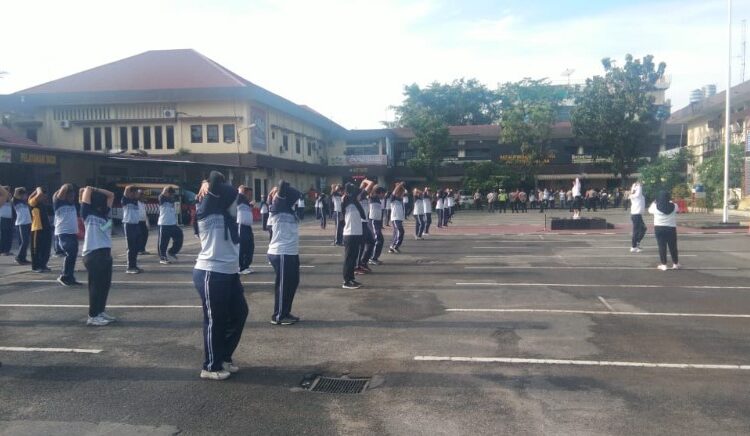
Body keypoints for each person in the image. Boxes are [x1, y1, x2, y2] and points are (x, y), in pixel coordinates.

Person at [192, 171, 248, 380]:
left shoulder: (228, 215)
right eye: (233, 198)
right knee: (215, 320)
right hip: (211, 272)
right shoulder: (206, 212)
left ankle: (224, 356)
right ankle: (210, 366)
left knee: (240, 313)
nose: (237, 202)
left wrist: (211, 185)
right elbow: (215, 178)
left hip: (229, 272)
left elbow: (221, 187)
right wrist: (207, 182)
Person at [80, 186, 116, 326]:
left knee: (104, 285)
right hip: (93, 253)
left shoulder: (104, 214)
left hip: (105, 252)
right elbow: (86, 191)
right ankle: (93, 315)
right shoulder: (87, 213)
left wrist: (98, 190)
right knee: (95, 286)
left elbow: (111, 194)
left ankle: (100, 311)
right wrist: (91, 189)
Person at [267, 180, 302, 324]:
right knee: (283, 285)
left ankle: (286, 312)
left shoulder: (289, 209)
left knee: (292, 283)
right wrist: (284, 185)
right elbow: (281, 186)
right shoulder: (278, 206)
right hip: (281, 252)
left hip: (291, 251)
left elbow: (297, 195)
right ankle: (279, 316)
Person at [53, 184, 81, 285]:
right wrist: (67, 186)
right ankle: (64, 276)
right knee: (70, 252)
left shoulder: (73, 205)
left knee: (73, 255)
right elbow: (62, 190)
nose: (72, 198)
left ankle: (70, 276)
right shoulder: (59, 203)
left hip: (73, 232)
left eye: (73, 196)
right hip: (63, 232)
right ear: (65, 196)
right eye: (70, 196)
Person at [649, 191, 680, 271]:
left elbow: (649, 210)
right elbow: (677, 209)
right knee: (673, 246)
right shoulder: (674, 206)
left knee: (662, 246)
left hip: (659, 228)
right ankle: (675, 263)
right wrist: (670, 201)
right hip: (671, 228)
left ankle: (664, 265)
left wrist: (655, 201)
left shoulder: (655, 207)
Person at [342, 182, 365, 289]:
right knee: (349, 259)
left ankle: (351, 279)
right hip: (350, 233)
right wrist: (349, 189)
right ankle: (346, 281)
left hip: (356, 232)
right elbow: (356, 191)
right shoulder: (346, 200)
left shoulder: (355, 202)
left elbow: (358, 192)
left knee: (353, 258)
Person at [28, 187, 53, 273]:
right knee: (36, 248)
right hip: (37, 228)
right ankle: (36, 266)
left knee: (46, 248)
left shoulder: (43, 204)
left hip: (46, 228)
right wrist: (38, 189)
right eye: (43, 196)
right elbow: (39, 194)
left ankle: (43, 264)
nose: (44, 197)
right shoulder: (33, 202)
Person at [157, 186, 184, 265]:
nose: (172, 195)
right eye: (170, 194)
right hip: (164, 223)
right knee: (163, 241)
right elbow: (162, 194)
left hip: (172, 223)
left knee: (179, 235)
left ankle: (172, 251)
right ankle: (162, 257)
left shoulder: (171, 199)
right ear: (166, 192)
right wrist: (165, 190)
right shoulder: (161, 198)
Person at [121, 186, 142, 274]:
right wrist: (130, 188)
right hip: (129, 225)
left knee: (136, 247)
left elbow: (138, 194)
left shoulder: (135, 201)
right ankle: (130, 267)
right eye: (132, 192)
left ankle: (134, 265)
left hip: (136, 225)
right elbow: (126, 191)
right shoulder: (125, 200)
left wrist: (136, 192)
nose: (134, 193)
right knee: (131, 247)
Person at [236, 186, 255, 275]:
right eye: (249, 194)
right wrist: (240, 191)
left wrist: (250, 205)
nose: (251, 196)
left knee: (250, 246)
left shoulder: (246, 202)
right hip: (241, 226)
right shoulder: (239, 198)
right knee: (242, 247)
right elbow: (238, 195)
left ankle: (246, 266)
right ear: (245, 193)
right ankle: (241, 267)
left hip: (248, 226)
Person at [13, 187, 32, 265]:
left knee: (24, 242)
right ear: (20, 195)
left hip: (28, 223)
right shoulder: (15, 201)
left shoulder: (25, 203)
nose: (26, 196)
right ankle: (19, 257)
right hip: (21, 223)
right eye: (24, 194)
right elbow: (15, 194)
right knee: (25, 241)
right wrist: (21, 189)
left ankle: (23, 258)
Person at [368, 186, 385, 265]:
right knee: (378, 239)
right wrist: (375, 187)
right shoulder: (373, 197)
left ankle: (374, 257)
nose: (384, 195)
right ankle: (372, 258)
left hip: (377, 222)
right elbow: (371, 192)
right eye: (383, 194)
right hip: (373, 222)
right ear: (380, 193)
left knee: (380, 240)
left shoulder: (378, 200)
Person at [629, 181, 646, 253]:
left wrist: (636, 185)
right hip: (636, 215)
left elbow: (635, 190)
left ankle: (636, 244)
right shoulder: (636, 195)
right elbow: (637, 191)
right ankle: (634, 246)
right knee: (636, 231)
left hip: (637, 215)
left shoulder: (636, 195)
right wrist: (639, 185)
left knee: (643, 228)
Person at [388, 182, 406, 254]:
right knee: (400, 231)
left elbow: (404, 191)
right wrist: (399, 185)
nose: (401, 194)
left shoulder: (400, 199)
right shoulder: (392, 198)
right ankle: (395, 246)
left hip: (399, 218)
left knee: (396, 233)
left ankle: (392, 247)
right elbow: (394, 192)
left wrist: (401, 187)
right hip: (395, 218)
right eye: (399, 192)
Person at [0, 185, 13, 256]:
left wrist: (9, 194)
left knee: (9, 235)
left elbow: (11, 198)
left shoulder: (10, 200)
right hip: (3, 218)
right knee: (3, 235)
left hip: (9, 218)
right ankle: (2, 250)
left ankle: (7, 250)